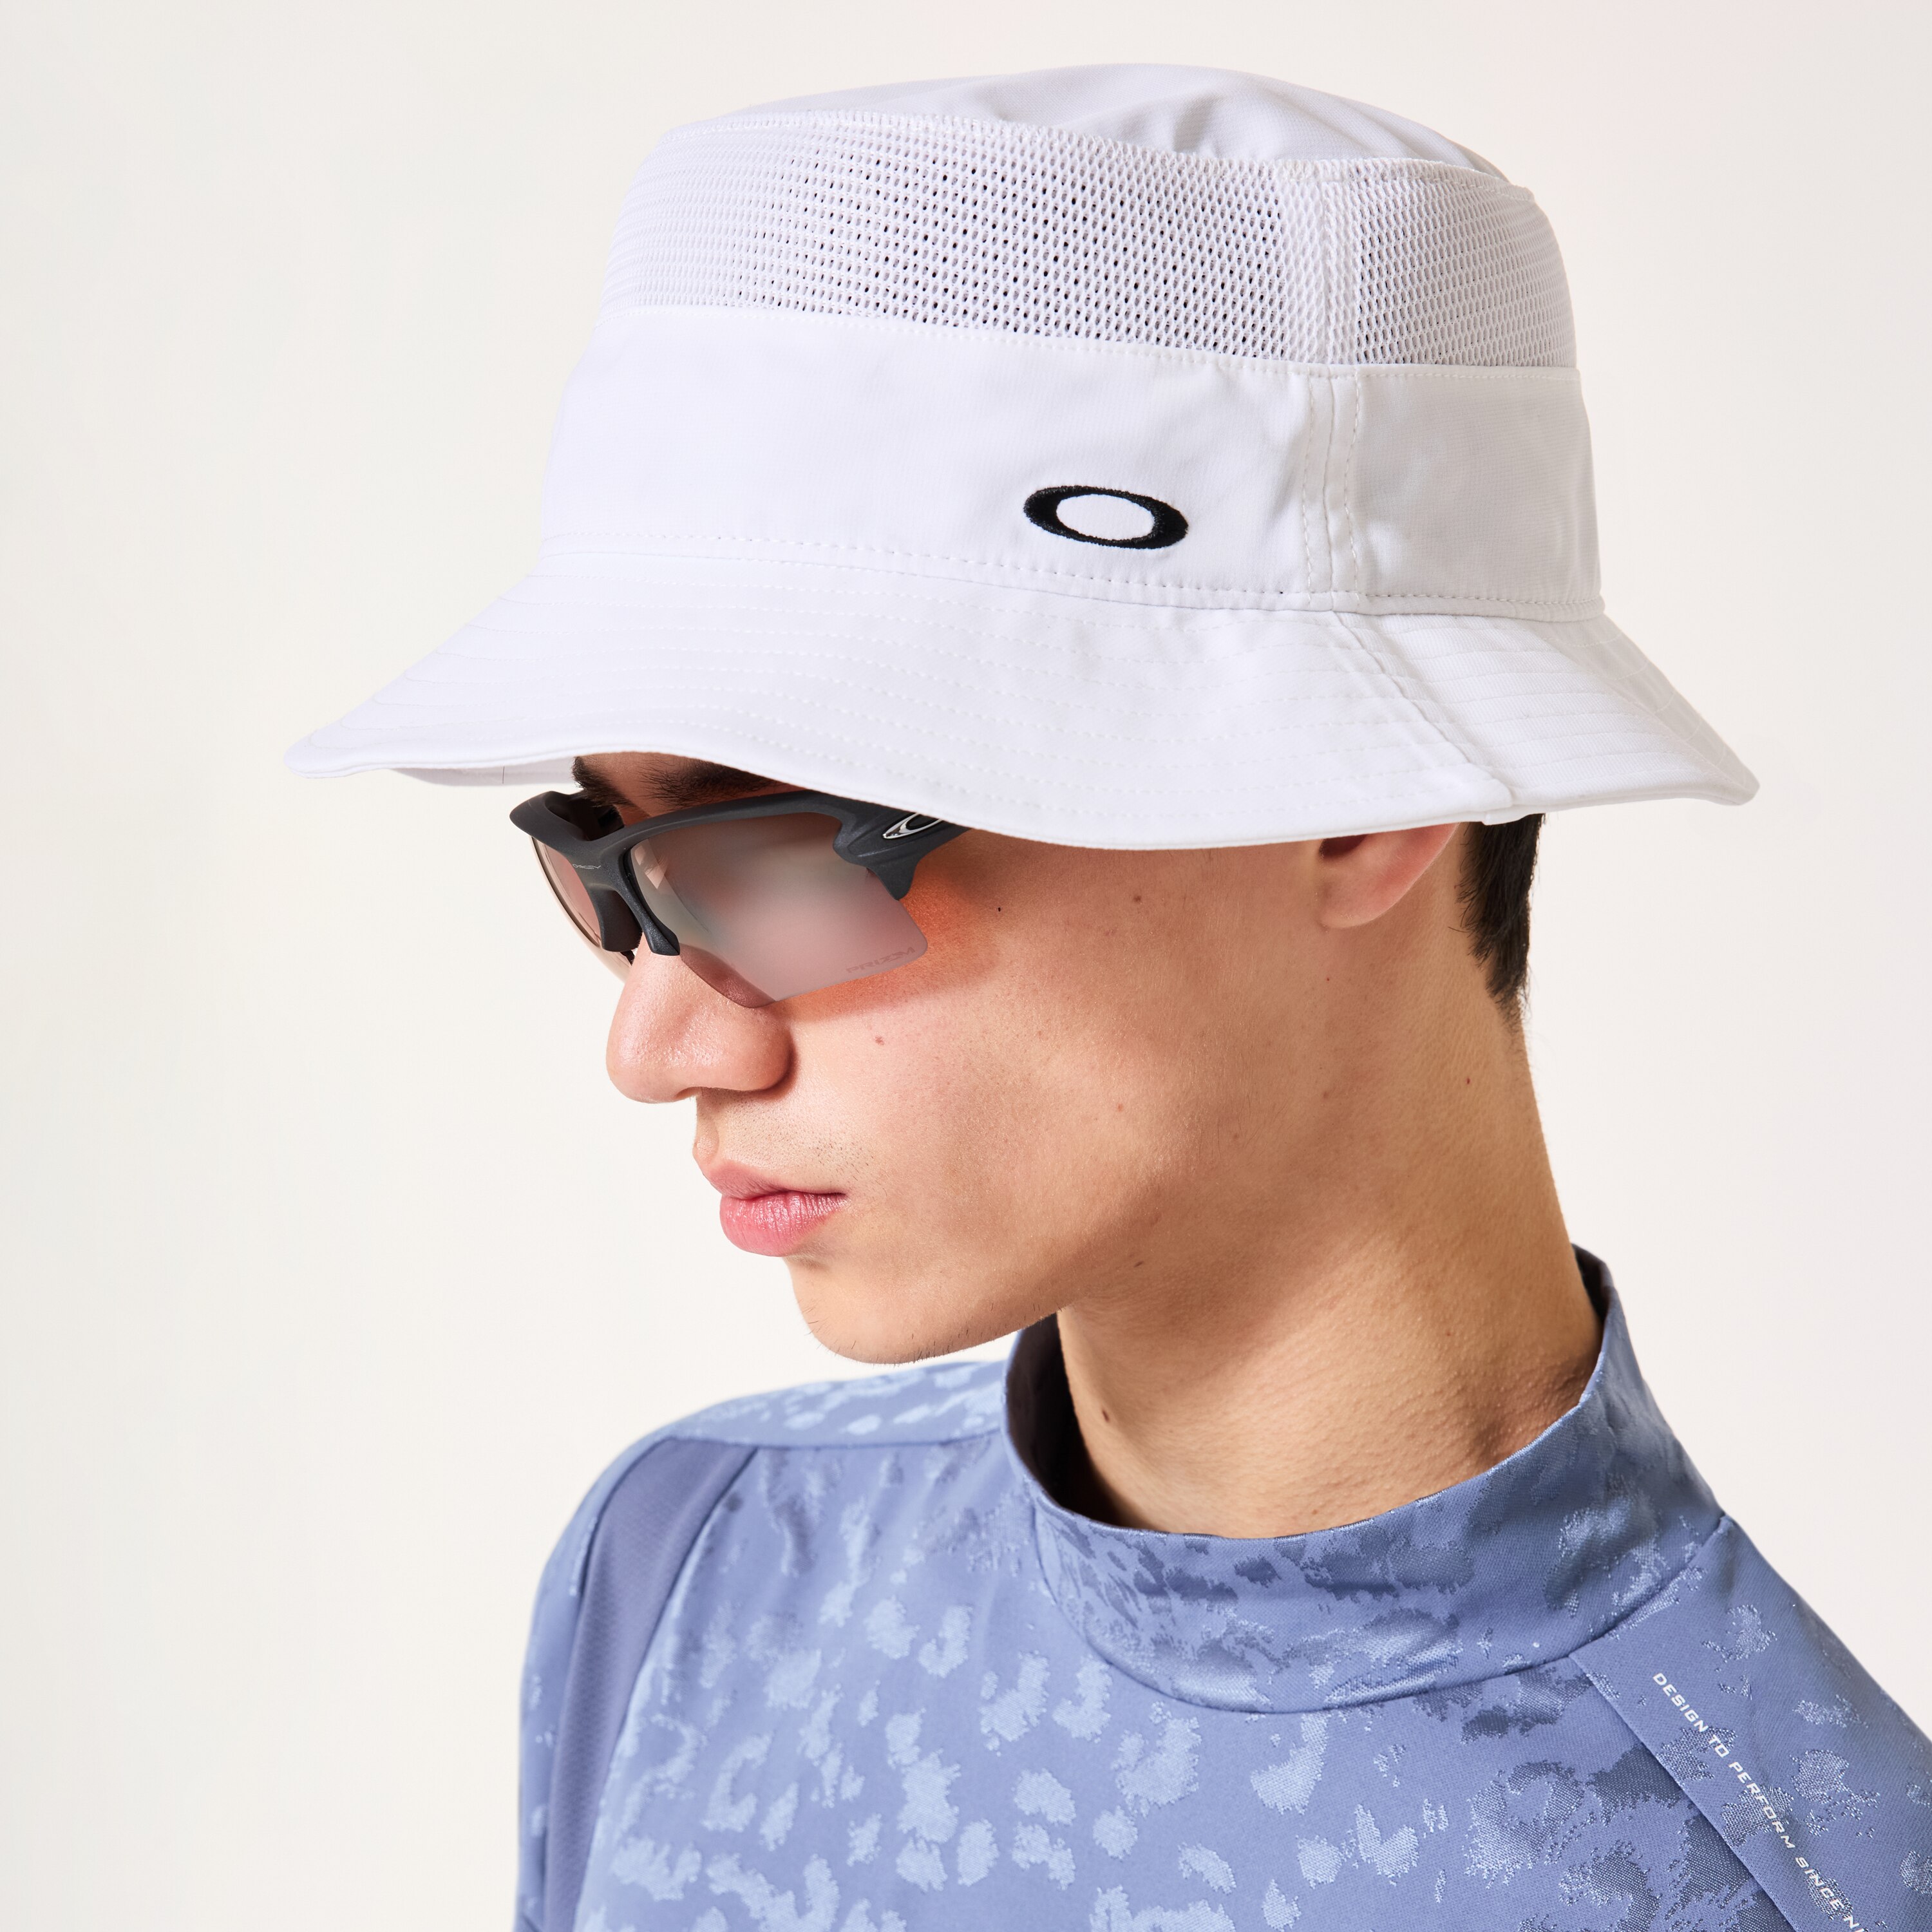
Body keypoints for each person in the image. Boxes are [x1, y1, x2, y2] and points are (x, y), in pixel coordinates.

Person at [289, 65, 1931, 1932]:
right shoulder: (697, 1573)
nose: (660, 1047)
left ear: (1357, 793)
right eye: (608, 867)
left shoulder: (1784, 1879)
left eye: (780, 853)